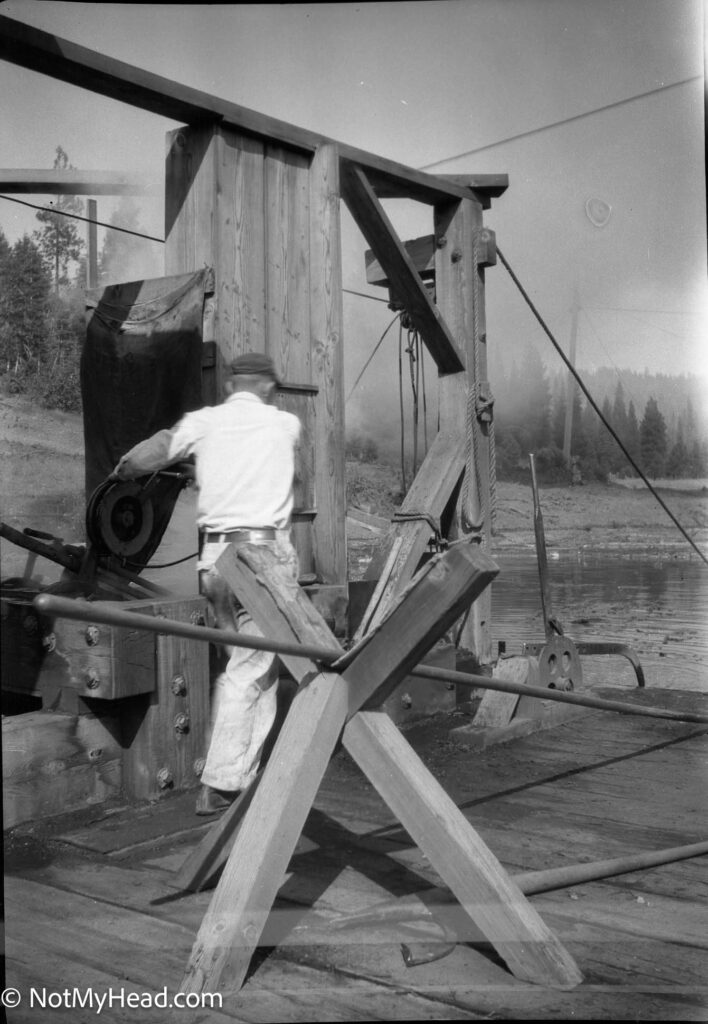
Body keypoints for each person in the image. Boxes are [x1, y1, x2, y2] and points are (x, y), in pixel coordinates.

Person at [113, 352, 301, 815]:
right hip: (263, 556)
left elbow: (151, 453)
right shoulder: (286, 425)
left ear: (230, 386)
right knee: (251, 667)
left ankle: (238, 769)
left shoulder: (205, 422)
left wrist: (123, 470)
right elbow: (293, 477)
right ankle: (220, 784)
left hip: (216, 561)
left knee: (242, 662)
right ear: (266, 387)